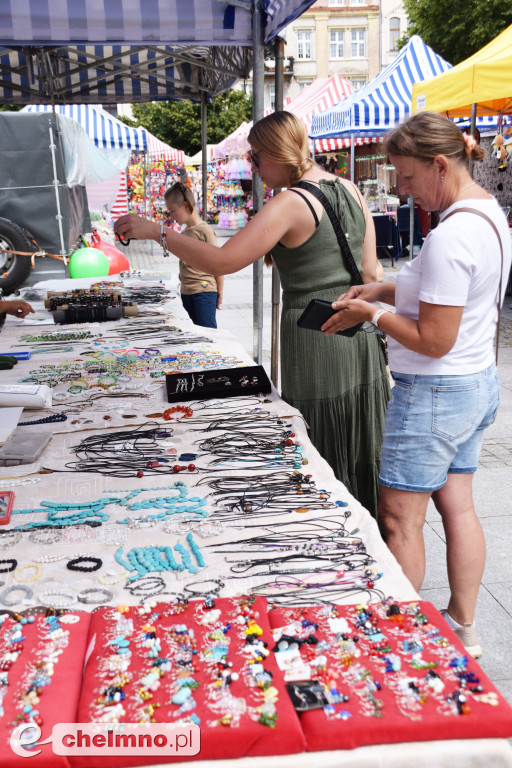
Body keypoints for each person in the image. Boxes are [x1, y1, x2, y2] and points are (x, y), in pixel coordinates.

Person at [115, 112, 390, 515]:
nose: (254, 168)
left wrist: (158, 232)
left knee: (322, 444)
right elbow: (372, 272)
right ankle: (371, 532)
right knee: (362, 441)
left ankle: (337, 530)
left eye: (257, 157)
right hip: (360, 334)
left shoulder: (292, 202)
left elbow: (223, 261)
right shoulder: (348, 188)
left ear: (280, 152)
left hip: (318, 341)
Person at [321, 112, 512, 658]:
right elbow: (449, 294)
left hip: (435, 392)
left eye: (406, 177)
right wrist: (382, 289)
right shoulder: (488, 215)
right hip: (474, 385)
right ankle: (462, 627)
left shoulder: (452, 235)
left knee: (401, 519)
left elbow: (433, 338)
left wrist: (369, 313)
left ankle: (402, 646)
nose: (402, 190)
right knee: (460, 507)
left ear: (439, 165)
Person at [164, 181, 224, 329]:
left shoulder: (205, 230)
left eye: (172, 211)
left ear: (185, 206)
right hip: (186, 292)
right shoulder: (184, 233)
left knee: (207, 333)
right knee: (193, 333)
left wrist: (220, 292)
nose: (171, 216)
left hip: (204, 292)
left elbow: (219, 264)